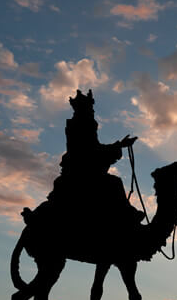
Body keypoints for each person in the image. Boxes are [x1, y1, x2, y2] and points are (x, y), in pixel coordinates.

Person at [44, 90, 143, 228]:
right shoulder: (81, 125)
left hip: (82, 166)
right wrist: (119, 145)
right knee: (114, 183)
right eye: (90, 108)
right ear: (84, 108)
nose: (92, 111)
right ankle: (127, 215)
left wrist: (119, 145)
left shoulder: (81, 124)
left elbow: (94, 147)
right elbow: (90, 150)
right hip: (81, 169)